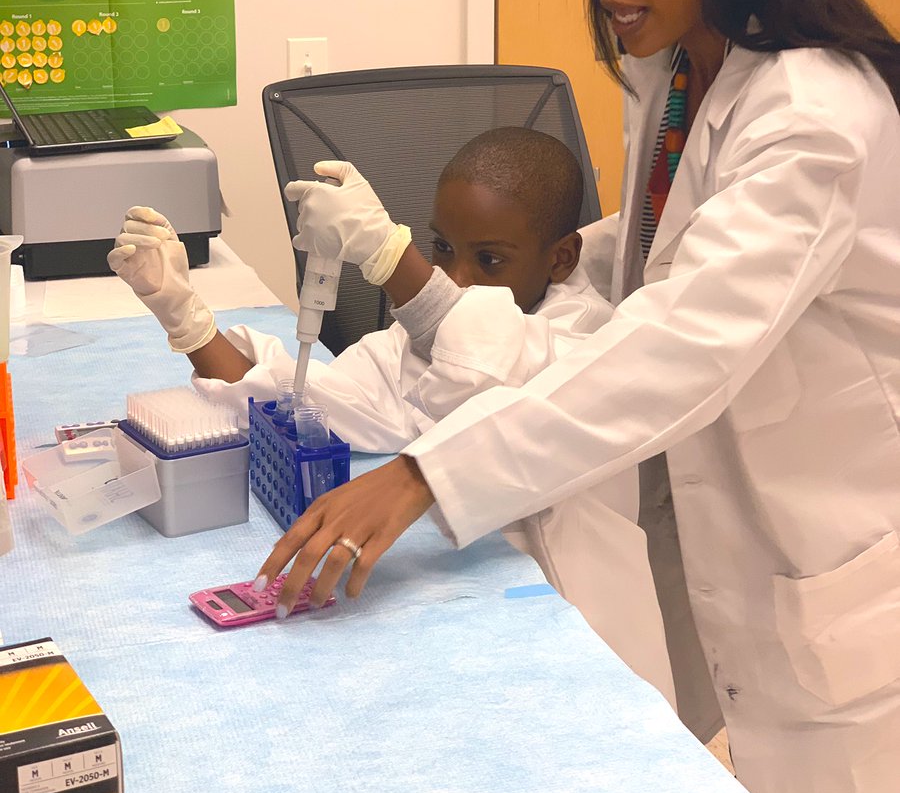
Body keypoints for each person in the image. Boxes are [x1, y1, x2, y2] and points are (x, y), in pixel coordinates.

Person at [254, 0, 900, 793]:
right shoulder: (681, 75)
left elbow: (678, 347)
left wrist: (423, 474)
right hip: (707, 530)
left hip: (820, 553)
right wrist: (529, 264)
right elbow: (653, 247)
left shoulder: (814, 120)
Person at [107, 128, 675, 702]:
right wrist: (186, 319)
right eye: (443, 249)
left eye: (490, 259)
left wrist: (388, 256)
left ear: (562, 257)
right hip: (473, 607)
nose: (457, 277)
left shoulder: (587, 340)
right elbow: (303, 404)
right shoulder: (416, 340)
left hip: (579, 622)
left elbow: (488, 376)